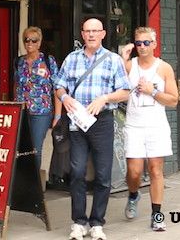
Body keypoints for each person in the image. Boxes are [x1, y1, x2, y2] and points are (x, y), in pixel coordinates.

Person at [55, 18, 130, 240]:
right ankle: (79, 222)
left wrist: (105, 98)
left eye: (95, 31)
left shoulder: (113, 59)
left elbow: (125, 92)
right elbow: (58, 84)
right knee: (77, 172)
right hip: (78, 122)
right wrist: (65, 97)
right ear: (82, 34)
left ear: (103, 34)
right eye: (87, 31)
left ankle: (97, 222)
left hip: (102, 121)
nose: (91, 35)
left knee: (103, 174)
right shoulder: (72, 58)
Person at [119, 27, 178, 232]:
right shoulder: (129, 66)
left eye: (146, 43)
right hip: (134, 125)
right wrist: (122, 58)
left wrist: (152, 91)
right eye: (138, 43)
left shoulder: (164, 68)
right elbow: (115, 87)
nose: (142, 47)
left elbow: (173, 100)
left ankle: (157, 215)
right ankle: (134, 194)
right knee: (134, 172)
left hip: (156, 126)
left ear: (154, 44)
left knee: (155, 170)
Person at [14, 26, 59, 170]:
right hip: (22, 112)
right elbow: (16, 86)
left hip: (41, 113)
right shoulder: (19, 62)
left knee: (35, 149)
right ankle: (22, 183)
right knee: (21, 148)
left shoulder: (48, 61)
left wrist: (57, 115)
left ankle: (34, 187)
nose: (30, 43)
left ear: (39, 43)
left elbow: (57, 89)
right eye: (27, 40)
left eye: (34, 40)